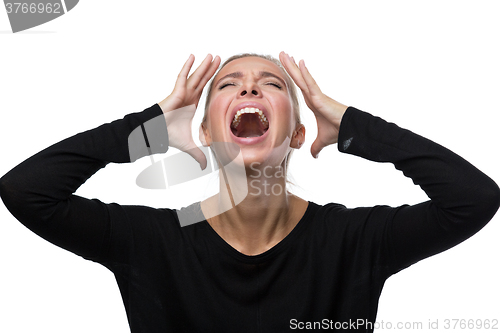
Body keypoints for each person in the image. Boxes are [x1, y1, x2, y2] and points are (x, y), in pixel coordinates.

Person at [0, 51, 499, 332]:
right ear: (207, 134)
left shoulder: (353, 241)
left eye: (271, 84)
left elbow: (473, 199)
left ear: (299, 134)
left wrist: (351, 125)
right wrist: (147, 128)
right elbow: (25, 190)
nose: (249, 90)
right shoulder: (152, 243)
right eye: (229, 85)